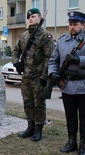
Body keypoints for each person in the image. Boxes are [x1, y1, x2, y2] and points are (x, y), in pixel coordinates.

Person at [48, 11, 85, 155]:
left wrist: (79, 60)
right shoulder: (61, 41)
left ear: (83, 25)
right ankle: (71, 141)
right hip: (67, 85)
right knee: (70, 116)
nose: (72, 27)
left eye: (75, 24)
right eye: (70, 24)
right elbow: (53, 60)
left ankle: (83, 144)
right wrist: (52, 72)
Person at [12, 8, 54, 142]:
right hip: (26, 76)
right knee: (28, 102)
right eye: (29, 16)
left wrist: (44, 76)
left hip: (38, 76)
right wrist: (16, 63)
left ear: (40, 18)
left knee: (39, 104)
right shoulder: (24, 36)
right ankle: (30, 127)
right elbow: (16, 50)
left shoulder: (45, 36)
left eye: (34, 16)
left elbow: (49, 58)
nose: (31, 18)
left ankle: (38, 129)